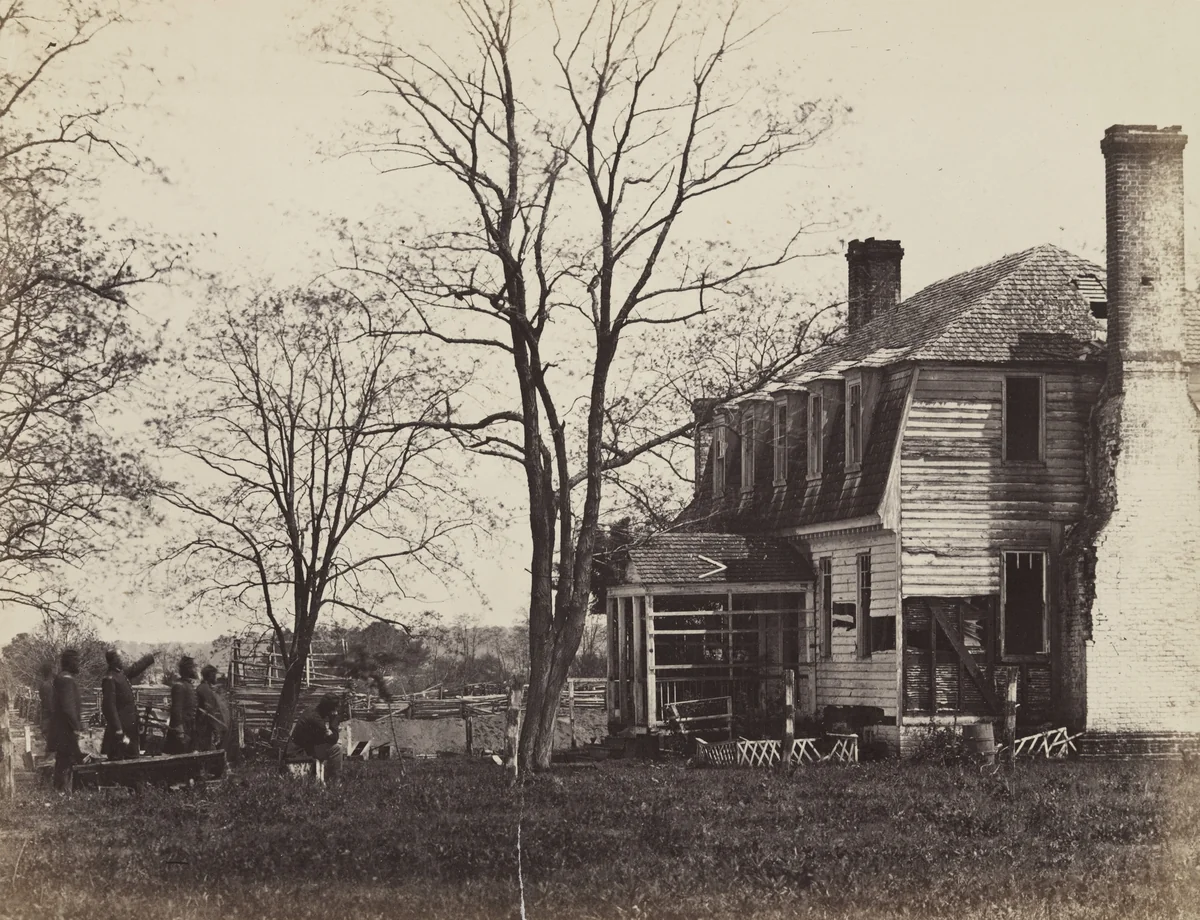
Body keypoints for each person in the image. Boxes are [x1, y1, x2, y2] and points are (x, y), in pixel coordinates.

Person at [288, 693, 344, 785]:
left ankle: (328, 777)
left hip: (301, 748)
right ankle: (336, 782)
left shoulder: (311, 710)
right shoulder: (316, 719)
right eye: (335, 709)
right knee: (337, 748)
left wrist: (330, 733)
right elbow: (333, 739)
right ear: (329, 709)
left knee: (335, 744)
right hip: (301, 752)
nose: (336, 711)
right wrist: (334, 720)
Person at [50, 648, 83, 793]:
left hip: (62, 728)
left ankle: (61, 792)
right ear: (70, 663)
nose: (78, 664)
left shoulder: (62, 678)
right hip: (66, 729)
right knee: (66, 760)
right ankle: (62, 792)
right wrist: (76, 727)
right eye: (77, 661)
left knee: (65, 760)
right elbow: (68, 708)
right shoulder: (66, 680)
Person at [100, 650, 140, 760]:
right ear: (115, 660)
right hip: (121, 730)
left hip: (129, 727)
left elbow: (135, 668)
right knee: (118, 760)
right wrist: (118, 728)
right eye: (120, 658)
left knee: (132, 758)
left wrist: (149, 658)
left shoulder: (119, 674)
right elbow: (109, 706)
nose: (122, 660)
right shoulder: (110, 679)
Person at [165, 656, 199, 755]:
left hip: (189, 729)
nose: (195, 669)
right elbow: (176, 711)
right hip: (181, 731)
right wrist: (180, 731)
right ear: (188, 669)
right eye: (193, 667)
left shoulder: (188, 685)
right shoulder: (179, 686)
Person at [196, 664, 230, 752]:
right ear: (210, 675)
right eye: (214, 675)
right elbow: (210, 711)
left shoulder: (204, 687)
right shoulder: (205, 689)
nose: (216, 678)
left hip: (205, 727)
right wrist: (218, 728)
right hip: (203, 728)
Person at [37, 661, 56, 757]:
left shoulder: (43, 684)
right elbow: (49, 702)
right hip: (49, 715)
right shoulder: (48, 685)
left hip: (46, 713)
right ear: (50, 672)